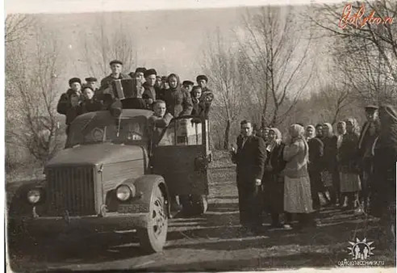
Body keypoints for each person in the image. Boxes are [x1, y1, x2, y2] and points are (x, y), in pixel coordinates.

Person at [231, 120, 266, 233]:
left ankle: (256, 227)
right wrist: (233, 153)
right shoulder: (240, 140)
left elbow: (261, 160)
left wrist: (259, 177)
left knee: (254, 202)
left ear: (252, 130)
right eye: (243, 128)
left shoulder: (257, 141)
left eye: (247, 128)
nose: (245, 130)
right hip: (242, 177)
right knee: (243, 202)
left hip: (253, 177)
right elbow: (238, 160)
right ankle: (245, 226)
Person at [369, 104, 397, 247]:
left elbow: (390, 154)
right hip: (387, 175)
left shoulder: (389, 133)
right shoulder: (383, 132)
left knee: (389, 209)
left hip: (388, 176)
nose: (379, 117)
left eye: (381, 115)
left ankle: (391, 240)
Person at [283, 124, 315, 230]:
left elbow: (286, 156)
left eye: (291, 131)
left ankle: (300, 221)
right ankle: (304, 220)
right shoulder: (302, 142)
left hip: (295, 174)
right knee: (302, 198)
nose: (289, 133)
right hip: (300, 173)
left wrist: (286, 146)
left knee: (296, 198)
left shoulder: (296, 144)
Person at [262, 128, 288, 229]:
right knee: (269, 199)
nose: (271, 136)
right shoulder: (267, 145)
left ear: (277, 135)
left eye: (273, 134)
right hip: (268, 175)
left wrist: (274, 168)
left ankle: (283, 220)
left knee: (278, 199)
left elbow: (283, 160)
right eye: (269, 134)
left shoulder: (281, 146)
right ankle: (274, 220)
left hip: (277, 174)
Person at [358, 105, 380, 213]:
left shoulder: (380, 126)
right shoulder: (365, 125)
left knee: (374, 183)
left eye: (372, 114)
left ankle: (374, 206)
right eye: (368, 114)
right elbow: (361, 142)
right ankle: (366, 206)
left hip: (376, 158)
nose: (370, 116)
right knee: (365, 182)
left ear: (376, 114)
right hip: (366, 157)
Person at [338, 118, 361, 210]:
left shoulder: (357, 136)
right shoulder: (344, 136)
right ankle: (349, 203)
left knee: (354, 184)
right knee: (347, 184)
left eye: (350, 124)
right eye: (347, 125)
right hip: (345, 162)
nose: (348, 126)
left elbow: (359, 150)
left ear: (354, 125)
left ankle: (355, 203)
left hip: (353, 162)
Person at [305, 125, 324, 210]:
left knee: (315, 186)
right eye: (308, 131)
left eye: (311, 131)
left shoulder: (317, 141)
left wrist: (314, 163)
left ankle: (318, 203)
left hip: (315, 168)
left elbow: (320, 155)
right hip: (306, 167)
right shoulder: (304, 141)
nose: (309, 133)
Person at [321, 123, 339, 205]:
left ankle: (335, 199)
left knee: (334, 183)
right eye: (323, 129)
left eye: (327, 128)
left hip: (332, 163)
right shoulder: (322, 140)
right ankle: (331, 200)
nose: (325, 130)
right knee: (327, 183)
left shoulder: (334, 138)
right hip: (325, 163)